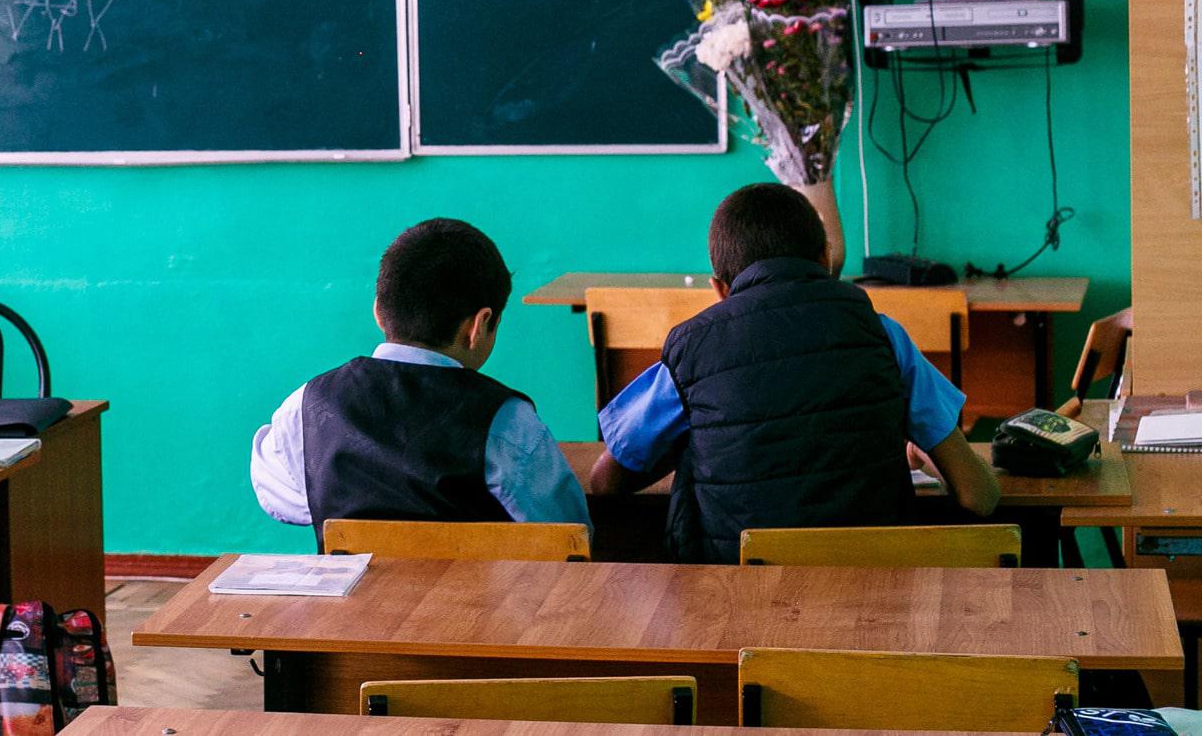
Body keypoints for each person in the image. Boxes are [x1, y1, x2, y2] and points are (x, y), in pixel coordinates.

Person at [588, 183, 1000, 563]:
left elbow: (605, 481)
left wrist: (690, 445)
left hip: (737, 596)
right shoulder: (882, 334)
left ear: (719, 289)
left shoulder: (691, 350)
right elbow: (978, 496)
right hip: (876, 592)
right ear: (825, 258)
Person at [251, 217, 590, 543]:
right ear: (479, 325)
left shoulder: (308, 404)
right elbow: (569, 535)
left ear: (378, 311)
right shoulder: (506, 421)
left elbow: (279, 497)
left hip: (358, 585)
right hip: (478, 585)